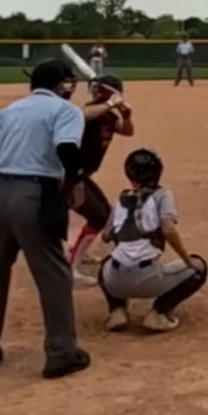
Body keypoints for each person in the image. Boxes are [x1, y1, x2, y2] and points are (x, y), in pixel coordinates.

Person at [0, 59, 126, 379]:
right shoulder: (65, 111)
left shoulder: (7, 111)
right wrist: (75, 183)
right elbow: (66, 149)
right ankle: (61, 353)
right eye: (70, 82)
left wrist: (1, 188)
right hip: (35, 194)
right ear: (62, 85)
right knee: (55, 276)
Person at [97, 147, 208, 334]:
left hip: (115, 280)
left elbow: (106, 236)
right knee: (199, 267)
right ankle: (160, 313)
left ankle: (117, 310)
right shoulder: (162, 195)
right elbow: (168, 230)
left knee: (105, 264)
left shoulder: (122, 199)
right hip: (147, 276)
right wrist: (187, 260)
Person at [66, 74, 134, 285]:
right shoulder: (90, 111)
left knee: (103, 213)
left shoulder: (109, 117)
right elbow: (81, 116)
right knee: (98, 216)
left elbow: (128, 131)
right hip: (68, 175)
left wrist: (126, 115)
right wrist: (110, 103)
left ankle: (79, 251)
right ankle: (71, 270)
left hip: (81, 176)